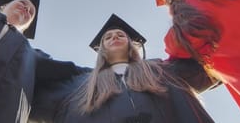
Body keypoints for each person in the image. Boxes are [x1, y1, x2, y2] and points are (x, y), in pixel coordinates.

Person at [30, 14, 217, 123]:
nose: (114, 37)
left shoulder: (161, 69)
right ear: (101, 49)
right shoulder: (78, 83)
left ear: (131, 44)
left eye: (120, 34)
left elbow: (211, 63)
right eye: (108, 37)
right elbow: (26, 91)